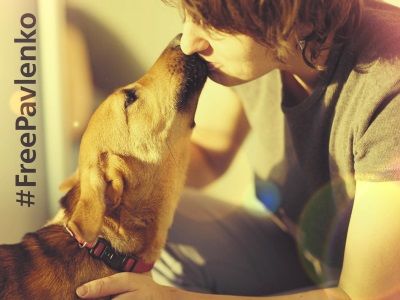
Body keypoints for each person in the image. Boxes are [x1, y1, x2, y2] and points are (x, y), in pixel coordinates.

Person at [75, 0, 400, 299]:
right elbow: (211, 151)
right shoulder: (267, 50)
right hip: (296, 248)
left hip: (363, 288)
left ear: (280, 14)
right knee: (141, 241)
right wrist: (107, 188)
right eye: (187, 15)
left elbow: (363, 295)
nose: (188, 42)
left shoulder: (389, 87)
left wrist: (176, 298)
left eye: (210, 24)